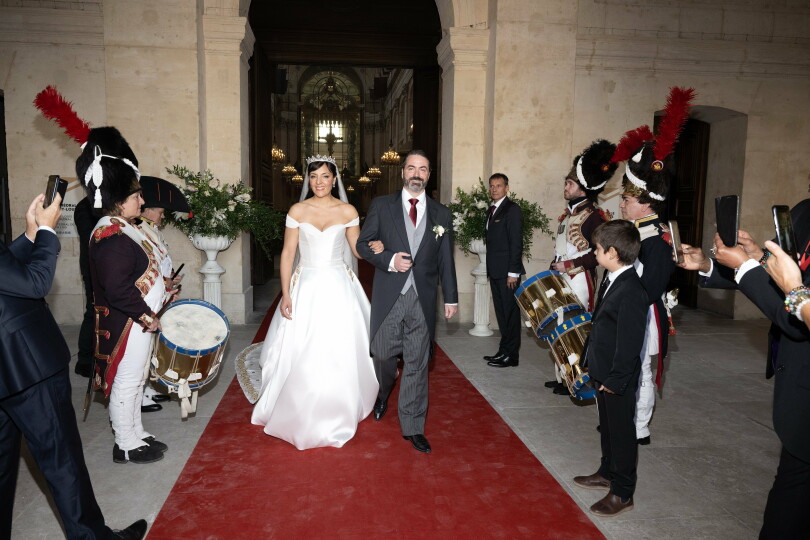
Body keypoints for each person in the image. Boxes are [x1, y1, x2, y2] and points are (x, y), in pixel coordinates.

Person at [0, 192, 147, 540]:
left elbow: (5, 271)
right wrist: (47, 232)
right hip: (25, 363)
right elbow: (34, 283)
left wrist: (30, 236)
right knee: (60, 458)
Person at [678, 199, 810, 539]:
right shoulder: (804, 211)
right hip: (798, 394)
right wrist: (737, 261)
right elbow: (782, 273)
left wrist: (748, 269)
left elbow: (797, 311)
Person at [250, 156, 379, 450]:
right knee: (304, 343)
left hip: (338, 284)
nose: (319, 182)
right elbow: (287, 254)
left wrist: (374, 246)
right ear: (308, 180)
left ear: (334, 179)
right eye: (314, 177)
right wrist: (286, 294)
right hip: (306, 284)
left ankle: (338, 400)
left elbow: (357, 252)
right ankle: (298, 400)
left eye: (324, 176)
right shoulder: (298, 210)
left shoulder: (347, 210)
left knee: (338, 344)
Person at [77, 127, 171, 465]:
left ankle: (136, 433)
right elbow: (117, 289)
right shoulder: (110, 234)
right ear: (119, 200)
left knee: (137, 377)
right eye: (136, 197)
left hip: (136, 320)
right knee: (127, 381)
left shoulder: (125, 228)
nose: (142, 202)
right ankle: (125, 444)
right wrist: (147, 316)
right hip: (127, 321)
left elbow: (141, 272)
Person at [356, 149, 459, 454]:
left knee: (417, 361)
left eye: (423, 169)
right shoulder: (381, 205)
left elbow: (446, 260)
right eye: (412, 168)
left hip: (423, 297)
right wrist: (389, 260)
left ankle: (413, 426)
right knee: (382, 352)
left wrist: (451, 297)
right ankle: (384, 390)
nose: (417, 174)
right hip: (390, 294)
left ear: (429, 175)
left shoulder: (442, 214)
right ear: (402, 172)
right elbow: (363, 244)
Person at [611, 86, 695, 445]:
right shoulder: (636, 230)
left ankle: (639, 426)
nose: (622, 204)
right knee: (625, 367)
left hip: (644, 314)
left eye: (627, 199)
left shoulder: (656, 239)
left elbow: (650, 287)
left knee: (641, 369)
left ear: (646, 203)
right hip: (628, 310)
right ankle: (623, 418)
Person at [572, 220, 647, 517]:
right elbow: (601, 325)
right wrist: (590, 361)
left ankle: (623, 491)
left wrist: (616, 379)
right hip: (604, 368)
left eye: (597, 249)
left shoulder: (632, 290)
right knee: (607, 427)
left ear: (613, 253)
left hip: (619, 376)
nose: (594, 252)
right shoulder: (612, 276)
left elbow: (630, 342)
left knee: (622, 433)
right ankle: (607, 472)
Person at [545, 140, 615, 393]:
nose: (565, 187)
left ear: (583, 190)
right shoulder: (568, 214)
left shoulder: (595, 217)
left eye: (570, 184)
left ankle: (576, 379)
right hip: (562, 277)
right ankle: (562, 377)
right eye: (566, 183)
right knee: (560, 327)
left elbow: (600, 254)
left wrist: (570, 265)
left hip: (579, 280)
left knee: (575, 329)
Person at [136, 175, 188, 412]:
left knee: (152, 347)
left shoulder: (152, 229)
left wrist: (170, 279)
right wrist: (165, 281)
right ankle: (137, 394)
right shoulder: (139, 230)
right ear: (147, 210)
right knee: (142, 350)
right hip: (146, 299)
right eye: (160, 211)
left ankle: (146, 386)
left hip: (159, 295)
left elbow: (160, 260)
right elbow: (145, 267)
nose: (162, 216)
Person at [482, 173, 524, 368]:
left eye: (498, 186)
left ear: (507, 188)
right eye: (492, 186)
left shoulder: (512, 209)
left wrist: (513, 272)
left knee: (510, 314)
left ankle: (511, 355)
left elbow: (516, 242)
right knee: (501, 313)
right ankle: (503, 350)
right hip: (496, 271)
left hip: (508, 273)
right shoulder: (492, 210)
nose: (494, 189)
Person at [74, 195, 99, 378]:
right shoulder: (86, 206)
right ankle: (84, 362)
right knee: (93, 311)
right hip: (94, 268)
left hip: (101, 266)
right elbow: (91, 239)